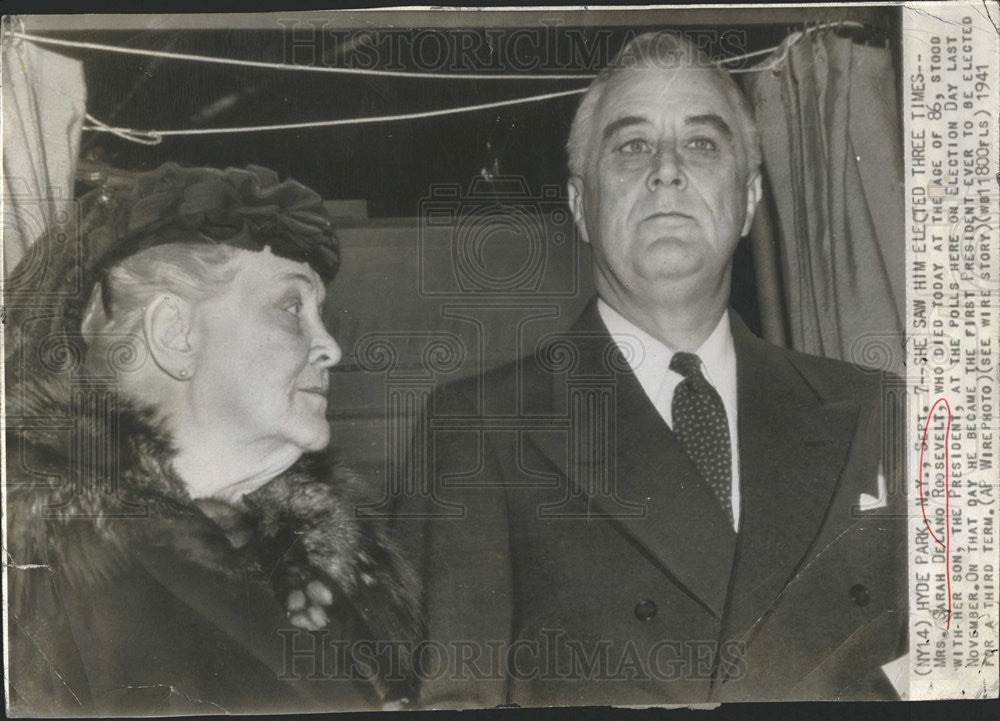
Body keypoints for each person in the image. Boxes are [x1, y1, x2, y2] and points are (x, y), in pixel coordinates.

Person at [397, 32, 907, 706]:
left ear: (750, 198)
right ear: (582, 206)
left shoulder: (878, 410)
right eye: (632, 145)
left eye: (702, 143)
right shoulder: (478, 428)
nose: (667, 170)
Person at [4, 163, 421, 715]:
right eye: (292, 307)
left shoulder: (332, 559)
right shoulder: (41, 578)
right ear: (174, 335)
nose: (330, 348)